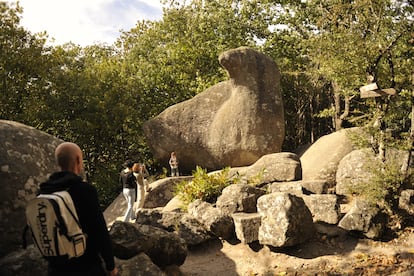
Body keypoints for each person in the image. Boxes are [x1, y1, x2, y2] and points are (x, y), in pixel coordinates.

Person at [38, 142, 117, 276]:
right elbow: (100, 230)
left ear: (58, 163)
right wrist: (110, 265)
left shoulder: (43, 192)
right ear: (78, 160)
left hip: (56, 268)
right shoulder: (84, 190)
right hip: (86, 266)